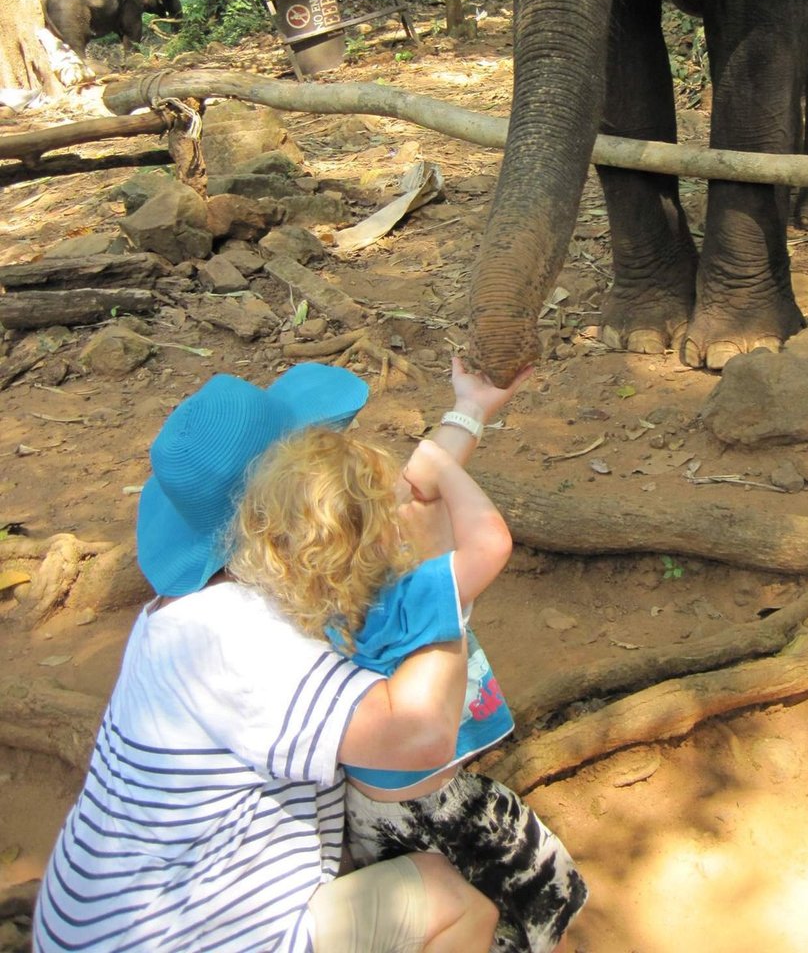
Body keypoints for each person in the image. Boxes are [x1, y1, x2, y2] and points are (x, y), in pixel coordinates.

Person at [33, 359, 530, 952]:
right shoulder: (249, 643)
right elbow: (417, 733)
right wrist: (436, 585)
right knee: (454, 904)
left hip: (93, 923)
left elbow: (392, 505)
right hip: (187, 940)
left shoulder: (207, 597)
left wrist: (468, 408)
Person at [235, 373, 588, 953]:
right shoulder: (414, 593)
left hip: (370, 814)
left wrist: (469, 410)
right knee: (538, 888)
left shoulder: (302, 605)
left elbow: (408, 493)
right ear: (380, 532)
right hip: (442, 806)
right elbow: (491, 541)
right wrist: (447, 470)